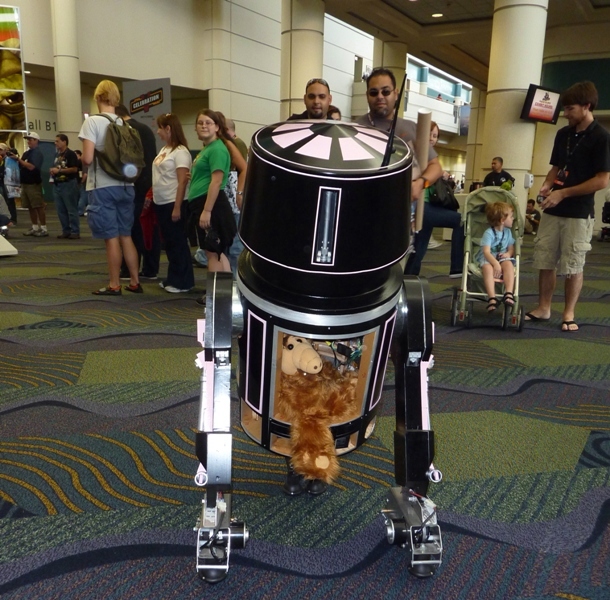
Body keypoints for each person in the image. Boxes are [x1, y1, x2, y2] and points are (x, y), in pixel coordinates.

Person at [526, 81, 610, 332]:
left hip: (578, 212)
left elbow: (602, 180)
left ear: (587, 106)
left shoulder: (601, 137)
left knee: (573, 264)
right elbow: (556, 167)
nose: (565, 114)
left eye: (570, 109)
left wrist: (563, 193)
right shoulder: (563, 134)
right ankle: (544, 308)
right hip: (553, 208)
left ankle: (568, 313)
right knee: (545, 260)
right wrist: (547, 185)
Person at [78, 80, 142, 296]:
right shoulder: (126, 124)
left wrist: (84, 158)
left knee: (111, 237)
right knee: (126, 235)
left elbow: (87, 158)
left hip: (103, 186)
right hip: (126, 185)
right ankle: (135, 281)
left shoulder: (92, 122)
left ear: (98, 97)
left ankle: (114, 284)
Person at [355, 67, 442, 221]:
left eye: (385, 91)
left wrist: (421, 183)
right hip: (361, 212)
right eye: (374, 92)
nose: (380, 96)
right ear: (367, 95)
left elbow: (436, 167)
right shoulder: (354, 129)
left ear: (396, 94)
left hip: (401, 216)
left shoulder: (411, 128)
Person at [187, 109, 236, 301]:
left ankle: (215, 296)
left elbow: (216, 181)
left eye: (208, 122)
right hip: (205, 203)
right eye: (200, 123)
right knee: (218, 252)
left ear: (217, 127)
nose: (204, 126)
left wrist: (207, 211)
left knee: (212, 252)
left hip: (212, 205)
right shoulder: (207, 149)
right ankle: (223, 295)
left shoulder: (217, 148)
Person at [115, 104, 161, 280]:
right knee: (148, 228)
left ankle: (129, 269)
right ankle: (150, 269)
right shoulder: (145, 129)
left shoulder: (125, 130)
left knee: (130, 230)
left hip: (132, 185)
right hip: (149, 184)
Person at [152, 113, 195, 293]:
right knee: (169, 243)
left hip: (174, 202)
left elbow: (182, 181)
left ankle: (182, 282)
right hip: (161, 202)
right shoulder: (165, 149)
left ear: (168, 129)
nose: (158, 131)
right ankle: (173, 277)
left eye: (160, 128)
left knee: (177, 242)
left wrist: (177, 207)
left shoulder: (181, 152)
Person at [216, 112, 248, 279]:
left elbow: (243, 168)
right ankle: (228, 283)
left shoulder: (233, 144)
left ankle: (236, 283)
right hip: (224, 199)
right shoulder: (214, 145)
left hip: (232, 198)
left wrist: (239, 193)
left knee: (234, 247)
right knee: (225, 247)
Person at [476, 202, 516, 312]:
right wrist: (495, 264)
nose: (513, 219)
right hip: (489, 257)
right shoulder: (488, 233)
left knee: (508, 264)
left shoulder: (508, 232)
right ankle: (492, 298)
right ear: (503, 220)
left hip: (502, 257)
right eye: (511, 217)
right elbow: (486, 252)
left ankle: (508, 293)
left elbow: (511, 249)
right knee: (487, 268)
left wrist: (508, 254)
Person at [50, 134, 81, 239]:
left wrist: (59, 170)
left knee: (71, 209)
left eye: (57, 141)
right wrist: (53, 171)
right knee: (61, 210)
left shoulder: (71, 154)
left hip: (68, 183)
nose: (55, 143)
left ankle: (75, 231)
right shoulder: (57, 154)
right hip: (57, 183)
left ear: (64, 142)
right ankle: (66, 230)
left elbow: (74, 169)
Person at [18, 132, 47, 237]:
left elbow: (31, 167)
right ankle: (34, 227)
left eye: (30, 139)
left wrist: (18, 160)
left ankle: (43, 228)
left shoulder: (37, 153)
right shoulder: (27, 153)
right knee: (30, 206)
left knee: (38, 206)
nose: (28, 141)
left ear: (36, 141)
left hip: (33, 183)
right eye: (28, 140)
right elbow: (23, 165)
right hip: (25, 183)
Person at [75, 149, 89, 216]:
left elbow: (85, 174)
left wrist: (81, 182)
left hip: (83, 183)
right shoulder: (79, 163)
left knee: (82, 198)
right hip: (81, 183)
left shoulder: (83, 163)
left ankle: (80, 211)